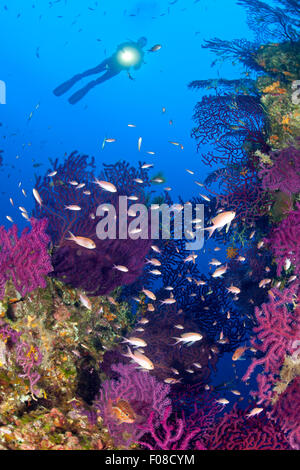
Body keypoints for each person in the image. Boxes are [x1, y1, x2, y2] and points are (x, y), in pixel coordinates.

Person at [53, 37, 147, 104]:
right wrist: (122, 51)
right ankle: (79, 77)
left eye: (143, 43)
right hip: (111, 61)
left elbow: (136, 67)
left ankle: (88, 86)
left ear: (144, 45)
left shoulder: (141, 55)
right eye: (141, 40)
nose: (141, 43)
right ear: (138, 39)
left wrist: (138, 62)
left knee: (101, 79)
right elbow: (119, 46)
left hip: (117, 69)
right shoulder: (129, 44)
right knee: (95, 70)